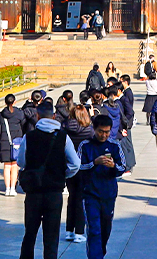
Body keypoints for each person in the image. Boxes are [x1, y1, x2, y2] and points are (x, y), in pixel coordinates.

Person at [18, 101, 81, 259]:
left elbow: (21, 162)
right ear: (54, 116)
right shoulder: (63, 137)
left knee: (30, 234)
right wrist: (63, 174)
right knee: (51, 237)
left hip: (34, 192)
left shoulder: (29, 136)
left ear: (38, 116)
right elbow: (75, 163)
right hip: (54, 192)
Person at [78, 114, 125, 259]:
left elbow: (123, 167)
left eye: (107, 132)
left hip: (108, 194)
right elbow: (78, 168)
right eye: (100, 131)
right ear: (94, 129)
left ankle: (100, 253)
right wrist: (94, 163)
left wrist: (113, 166)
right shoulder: (85, 146)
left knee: (105, 229)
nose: (104, 135)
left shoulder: (114, 145)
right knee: (94, 230)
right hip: (90, 193)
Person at [62, 100, 94, 241]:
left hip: (69, 167)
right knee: (81, 199)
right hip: (84, 168)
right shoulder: (89, 130)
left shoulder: (65, 129)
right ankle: (79, 232)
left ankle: (69, 230)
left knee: (72, 198)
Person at [0, 92, 24, 195]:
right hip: (16, 141)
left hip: (5, 140)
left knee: (7, 166)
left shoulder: (1, 114)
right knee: (14, 166)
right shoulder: (19, 113)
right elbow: (23, 124)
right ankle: (13, 188)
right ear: (15, 102)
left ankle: (7, 188)